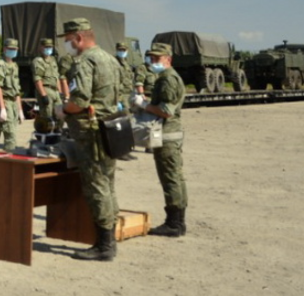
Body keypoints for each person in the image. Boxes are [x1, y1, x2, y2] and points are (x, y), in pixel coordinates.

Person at [56, 17, 121, 262]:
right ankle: (109, 238)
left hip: (90, 132)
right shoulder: (110, 59)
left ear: (79, 38)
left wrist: (63, 110)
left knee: (96, 186)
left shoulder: (84, 61)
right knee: (108, 183)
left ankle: (104, 245)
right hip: (109, 128)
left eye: (67, 40)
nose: (66, 45)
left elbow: (79, 100)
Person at [134, 42, 188, 237]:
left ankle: (174, 223)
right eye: (151, 58)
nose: (153, 61)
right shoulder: (166, 77)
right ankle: (178, 221)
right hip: (169, 134)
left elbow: (165, 111)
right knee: (175, 177)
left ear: (168, 59)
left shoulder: (167, 79)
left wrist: (144, 105)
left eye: (157, 58)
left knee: (170, 178)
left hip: (166, 135)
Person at [0, 38, 22, 153]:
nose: (13, 51)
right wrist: (2, 108)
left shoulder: (15, 66)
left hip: (14, 103)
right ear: (4, 49)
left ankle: (10, 158)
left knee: (13, 134)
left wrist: (20, 109)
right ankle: (9, 159)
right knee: (9, 134)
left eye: (15, 49)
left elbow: (17, 90)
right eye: (10, 49)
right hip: (5, 101)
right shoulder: (0, 65)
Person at [32, 38, 64, 136]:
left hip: (55, 90)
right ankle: (46, 137)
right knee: (47, 116)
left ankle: (58, 134)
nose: (48, 49)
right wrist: (43, 95)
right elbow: (37, 79)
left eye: (50, 47)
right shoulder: (38, 61)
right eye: (46, 47)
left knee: (60, 115)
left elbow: (57, 77)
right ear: (41, 47)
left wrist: (60, 92)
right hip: (46, 89)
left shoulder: (53, 60)